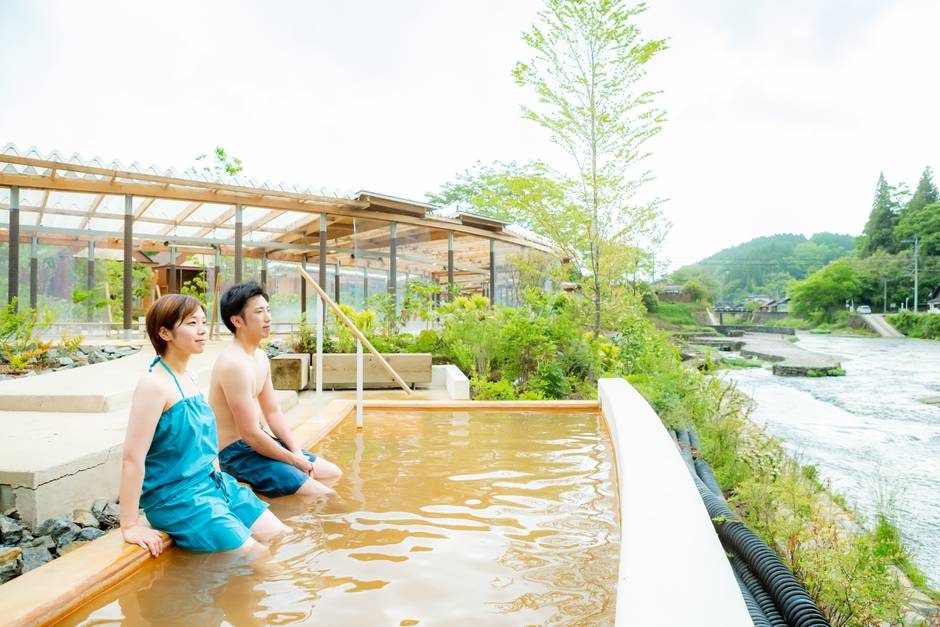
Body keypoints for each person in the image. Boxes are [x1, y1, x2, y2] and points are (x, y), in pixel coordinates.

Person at [120, 294, 287, 557]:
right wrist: (129, 526)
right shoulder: (153, 385)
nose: (202, 330)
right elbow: (132, 459)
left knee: (282, 537)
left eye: (202, 321)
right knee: (258, 556)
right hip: (178, 498)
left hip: (212, 484)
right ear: (164, 333)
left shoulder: (190, 376)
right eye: (191, 323)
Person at [210, 282, 342, 499]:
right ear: (236, 320)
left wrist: (296, 452)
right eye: (259, 312)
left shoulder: (260, 357)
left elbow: (272, 412)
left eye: (268, 310)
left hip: (260, 443)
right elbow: (249, 433)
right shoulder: (233, 365)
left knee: (331, 474)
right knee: (326, 495)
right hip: (238, 456)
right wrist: (293, 460)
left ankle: (288, 505)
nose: (268, 318)